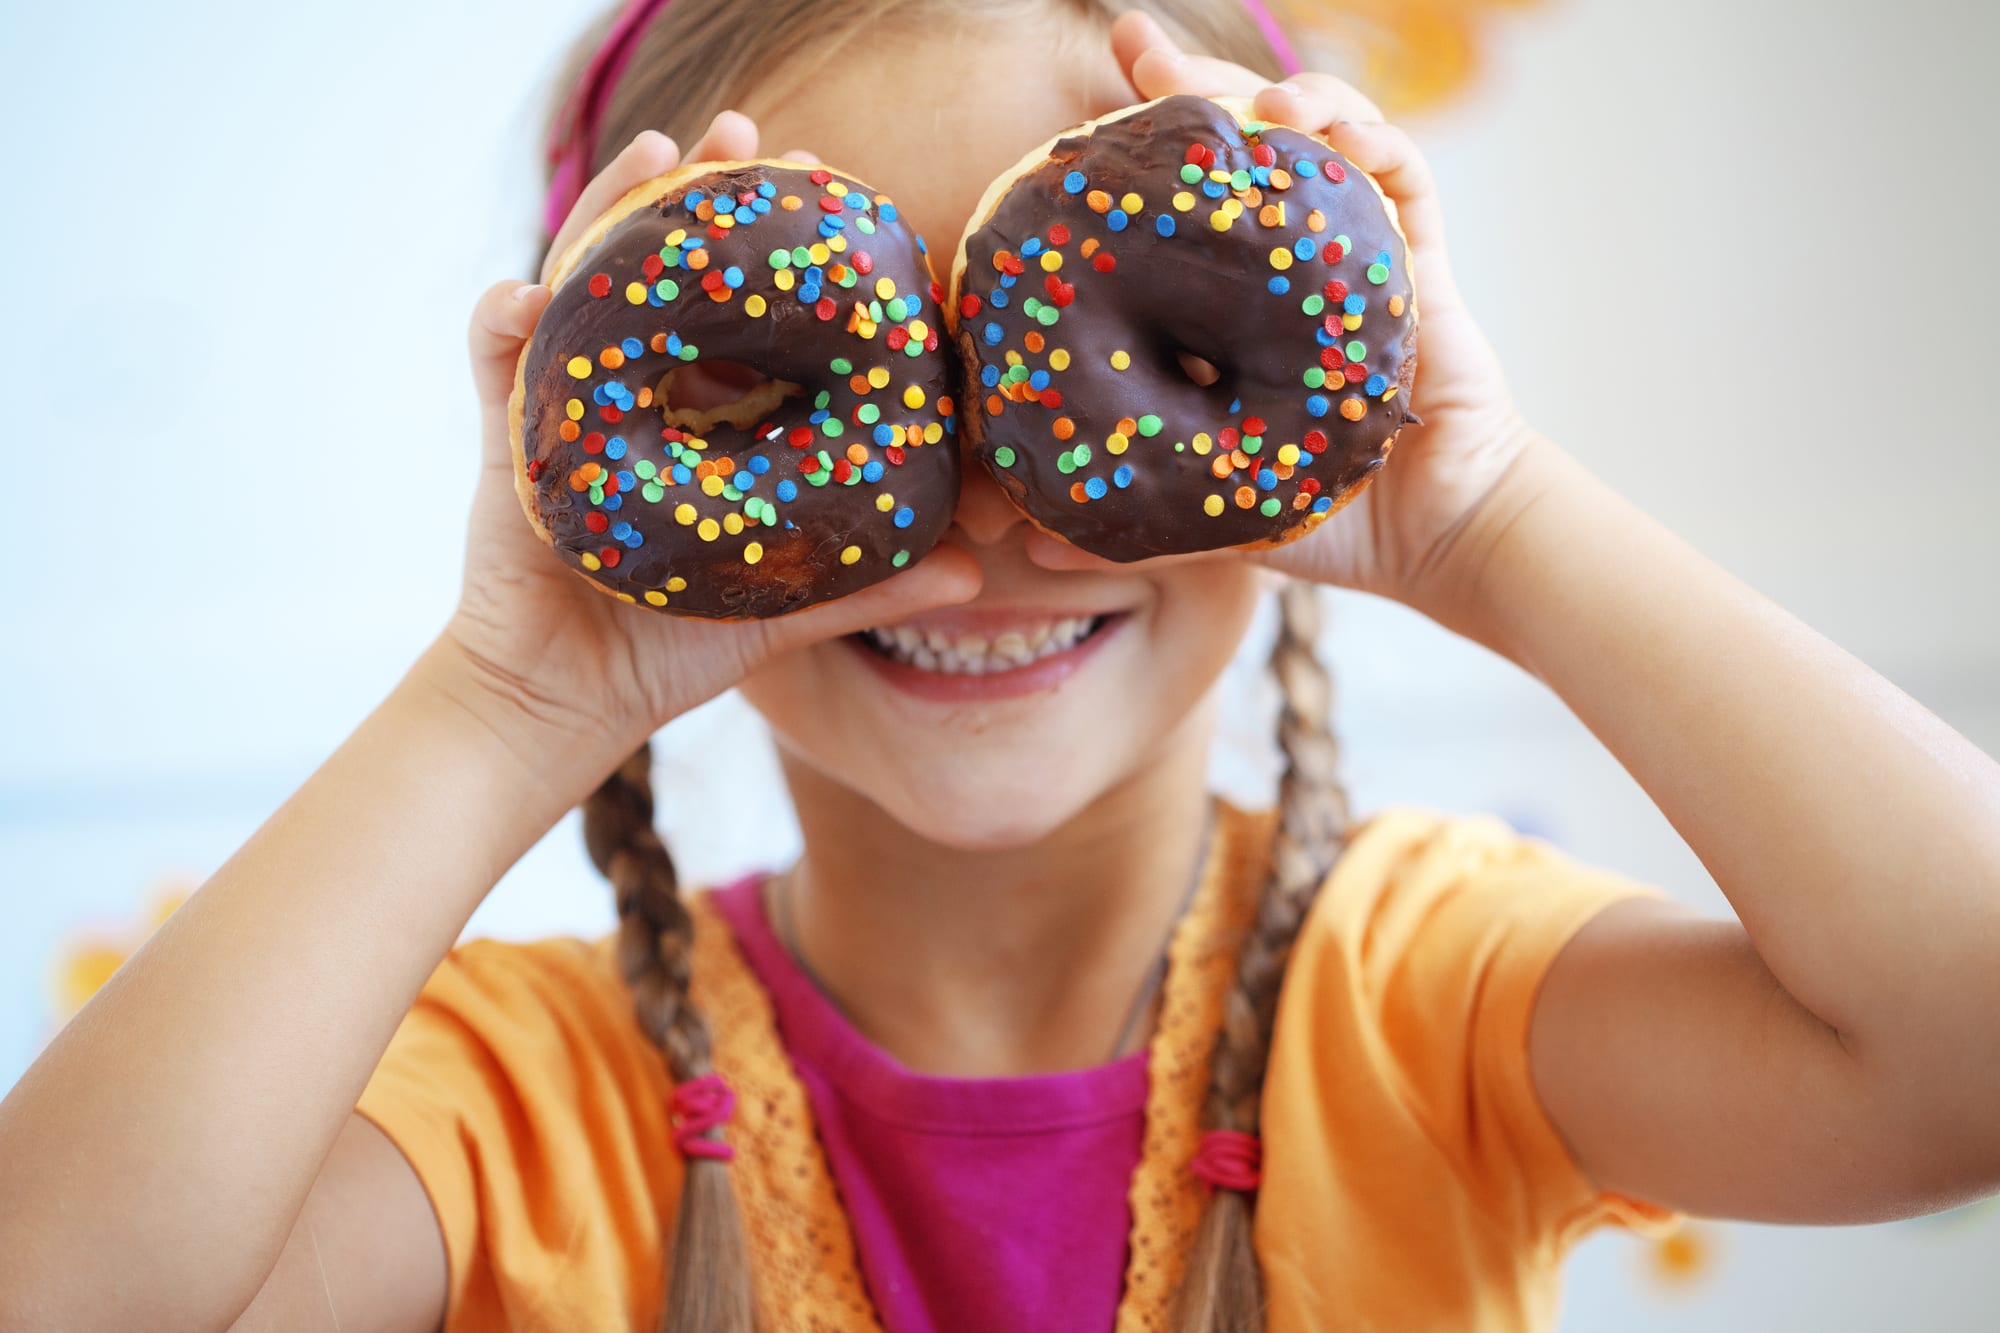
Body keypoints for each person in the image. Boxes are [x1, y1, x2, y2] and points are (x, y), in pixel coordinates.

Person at [3, 1, 1997, 1330]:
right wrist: (509, 693)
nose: (982, 526)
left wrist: (1480, 520)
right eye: (809, 386)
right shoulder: (529, 1103)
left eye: (1115, 365)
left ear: (1302, 388)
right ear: (604, 458)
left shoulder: (1425, 1001)